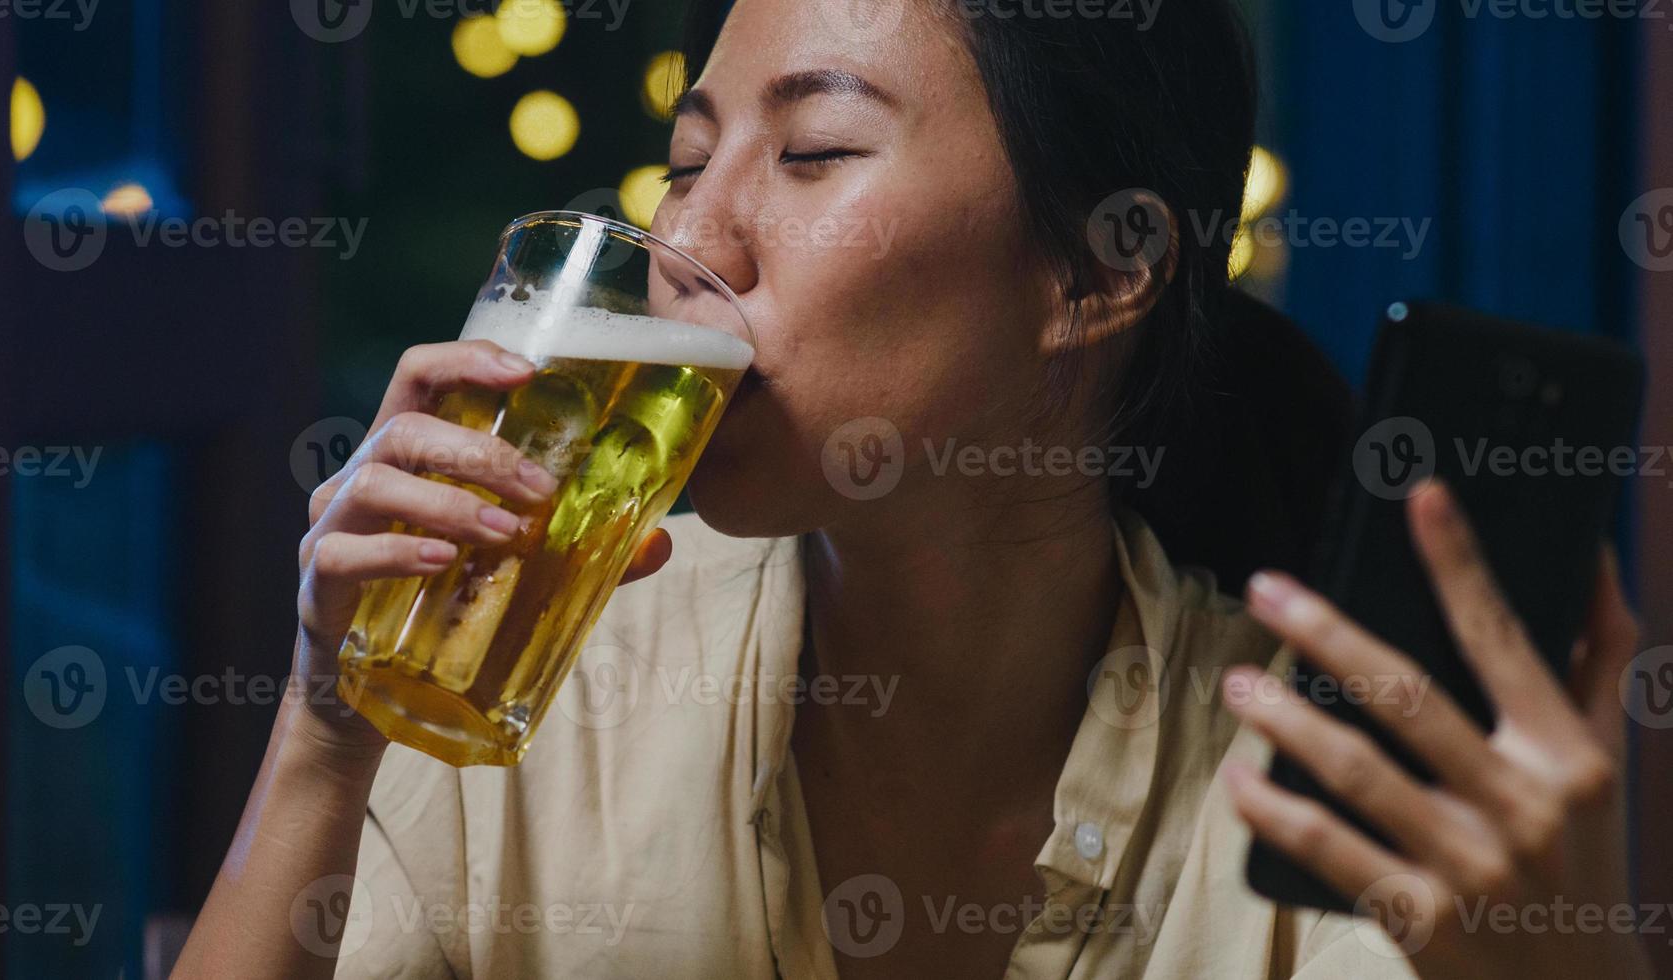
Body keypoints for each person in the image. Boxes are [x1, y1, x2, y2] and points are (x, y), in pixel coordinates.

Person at [174, 0, 1652, 976]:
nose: (700, 231)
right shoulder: (536, 670)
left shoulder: (1317, 800)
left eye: (813, 153)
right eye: (684, 161)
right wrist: (321, 735)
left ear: (1096, 269)